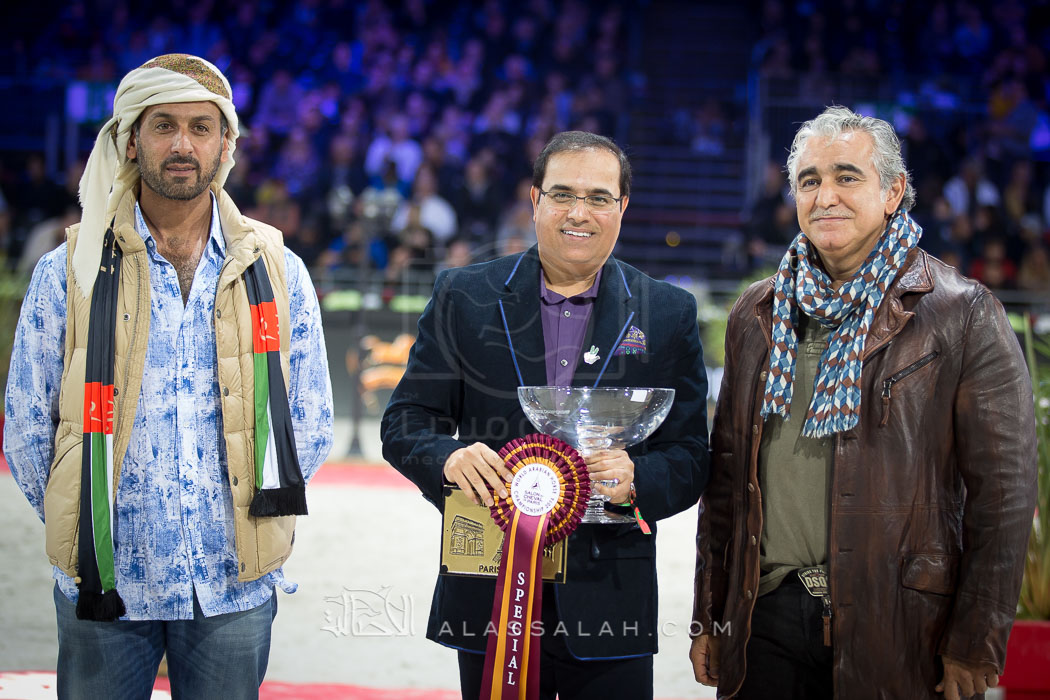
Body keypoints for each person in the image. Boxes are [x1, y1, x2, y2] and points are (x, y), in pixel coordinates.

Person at [4, 54, 333, 699]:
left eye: (201, 127)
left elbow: (311, 417)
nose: (183, 145)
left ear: (225, 144)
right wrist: (87, 521)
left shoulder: (275, 268)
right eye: (164, 126)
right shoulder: (68, 268)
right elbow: (26, 426)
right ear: (131, 140)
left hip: (233, 581)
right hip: (106, 579)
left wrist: (254, 518)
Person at [689, 106, 1037, 700]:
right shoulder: (757, 311)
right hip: (763, 617)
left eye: (846, 177)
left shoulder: (962, 312)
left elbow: (1004, 495)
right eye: (810, 180)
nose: (825, 196)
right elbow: (725, 483)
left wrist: (976, 636)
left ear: (893, 192)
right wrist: (710, 616)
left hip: (900, 624)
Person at [382, 131, 709, 699]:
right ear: (535, 200)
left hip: (610, 597)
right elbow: (405, 421)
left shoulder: (667, 312)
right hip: (489, 583)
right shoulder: (464, 296)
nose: (579, 212)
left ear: (622, 206)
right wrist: (450, 459)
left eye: (599, 197)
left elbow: (690, 455)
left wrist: (639, 478)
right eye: (562, 194)